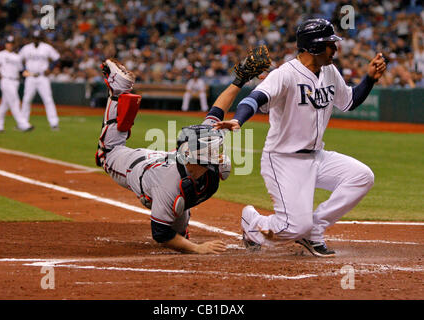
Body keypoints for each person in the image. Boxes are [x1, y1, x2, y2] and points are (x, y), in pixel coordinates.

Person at [214, 19, 387, 257]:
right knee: (293, 226)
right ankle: (253, 223)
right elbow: (254, 99)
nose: (334, 50)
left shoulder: (329, 71)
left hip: (317, 157)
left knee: (361, 176)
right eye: (330, 45)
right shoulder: (284, 75)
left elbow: (349, 102)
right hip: (284, 159)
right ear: (313, 47)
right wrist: (239, 119)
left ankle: (314, 229)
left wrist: (369, 79)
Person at [95, 48, 270, 254]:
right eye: (213, 150)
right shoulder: (169, 184)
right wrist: (198, 248)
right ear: (197, 156)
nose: (219, 152)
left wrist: (239, 80)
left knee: (179, 217)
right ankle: (118, 92)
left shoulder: (201, 156)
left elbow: (217, 110)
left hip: (166, 163)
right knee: (107, 154)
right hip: (139, 167)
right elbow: (160, 234)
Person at [0, 35, 34, 133]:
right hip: (6, 81)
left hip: (15, 81)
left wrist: (32, 74)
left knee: (4, 105)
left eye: (11, 43)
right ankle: (23, 124)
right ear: (5, 44)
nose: (9, 45)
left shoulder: (17, 57)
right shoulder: (1, 54)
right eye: (8, 43)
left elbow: (22, 71)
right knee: (15, 102)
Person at [19, 30, 60, 130]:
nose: (36, 39)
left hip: (43, 77)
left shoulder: (46, 47)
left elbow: (57, 58)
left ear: (40, 38)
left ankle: (54, 123)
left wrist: (50, 68)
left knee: (48, 99)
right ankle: (23, 123)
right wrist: (23, 70)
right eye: (34, 38)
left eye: (37, 38)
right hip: (30, 77)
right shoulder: (26, 48)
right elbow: (18, 60)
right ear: (32, 38)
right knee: (26, 99)